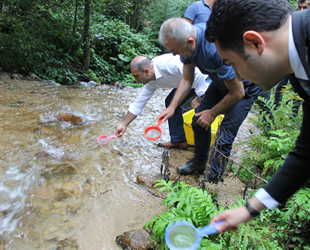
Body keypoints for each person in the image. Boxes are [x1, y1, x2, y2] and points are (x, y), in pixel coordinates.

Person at [205, 0, 310, 233]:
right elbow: (306, 151)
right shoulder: (297, 69)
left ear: (254, 42)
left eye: (232, 63)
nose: (238, 76)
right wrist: (250, 208)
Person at [158, 18, 262, 182]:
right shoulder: (186, 45)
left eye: (175, 50)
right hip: (220, 82)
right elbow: (187, 79)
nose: (173, 54)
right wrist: (172, 106)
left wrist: (212, 113)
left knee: (224, 136)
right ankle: (199, 162)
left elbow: (237, 93)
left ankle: (213, 180)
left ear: (190, 41)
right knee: (197, 122)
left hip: (246, 86)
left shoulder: (216, 49)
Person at [114, 53, 208, 149]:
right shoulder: (151, 82)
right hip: (188, 83)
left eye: (136, 76)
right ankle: (179, 141)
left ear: (146, 71)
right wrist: (123, 124)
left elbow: (198, 73)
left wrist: (200, 97)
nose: (135, 80)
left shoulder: (167, 64)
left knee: (200, 114)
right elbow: (138, 104)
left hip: (206, 77)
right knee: (170, 102)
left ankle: (203, 151)